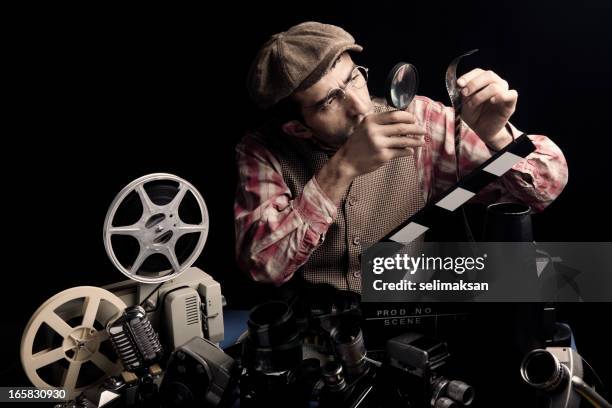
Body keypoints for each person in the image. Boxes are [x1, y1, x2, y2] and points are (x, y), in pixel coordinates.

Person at [234, 21, 568, 293]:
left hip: (410, 318)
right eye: (329, 102)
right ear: (297, 129)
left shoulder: (416, 120)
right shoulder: (264, 151)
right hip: (318, 334)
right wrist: (342, 168)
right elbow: (264, 265)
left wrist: (497, 136)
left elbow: (545, 186)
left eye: (354, 78)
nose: (359, 105)